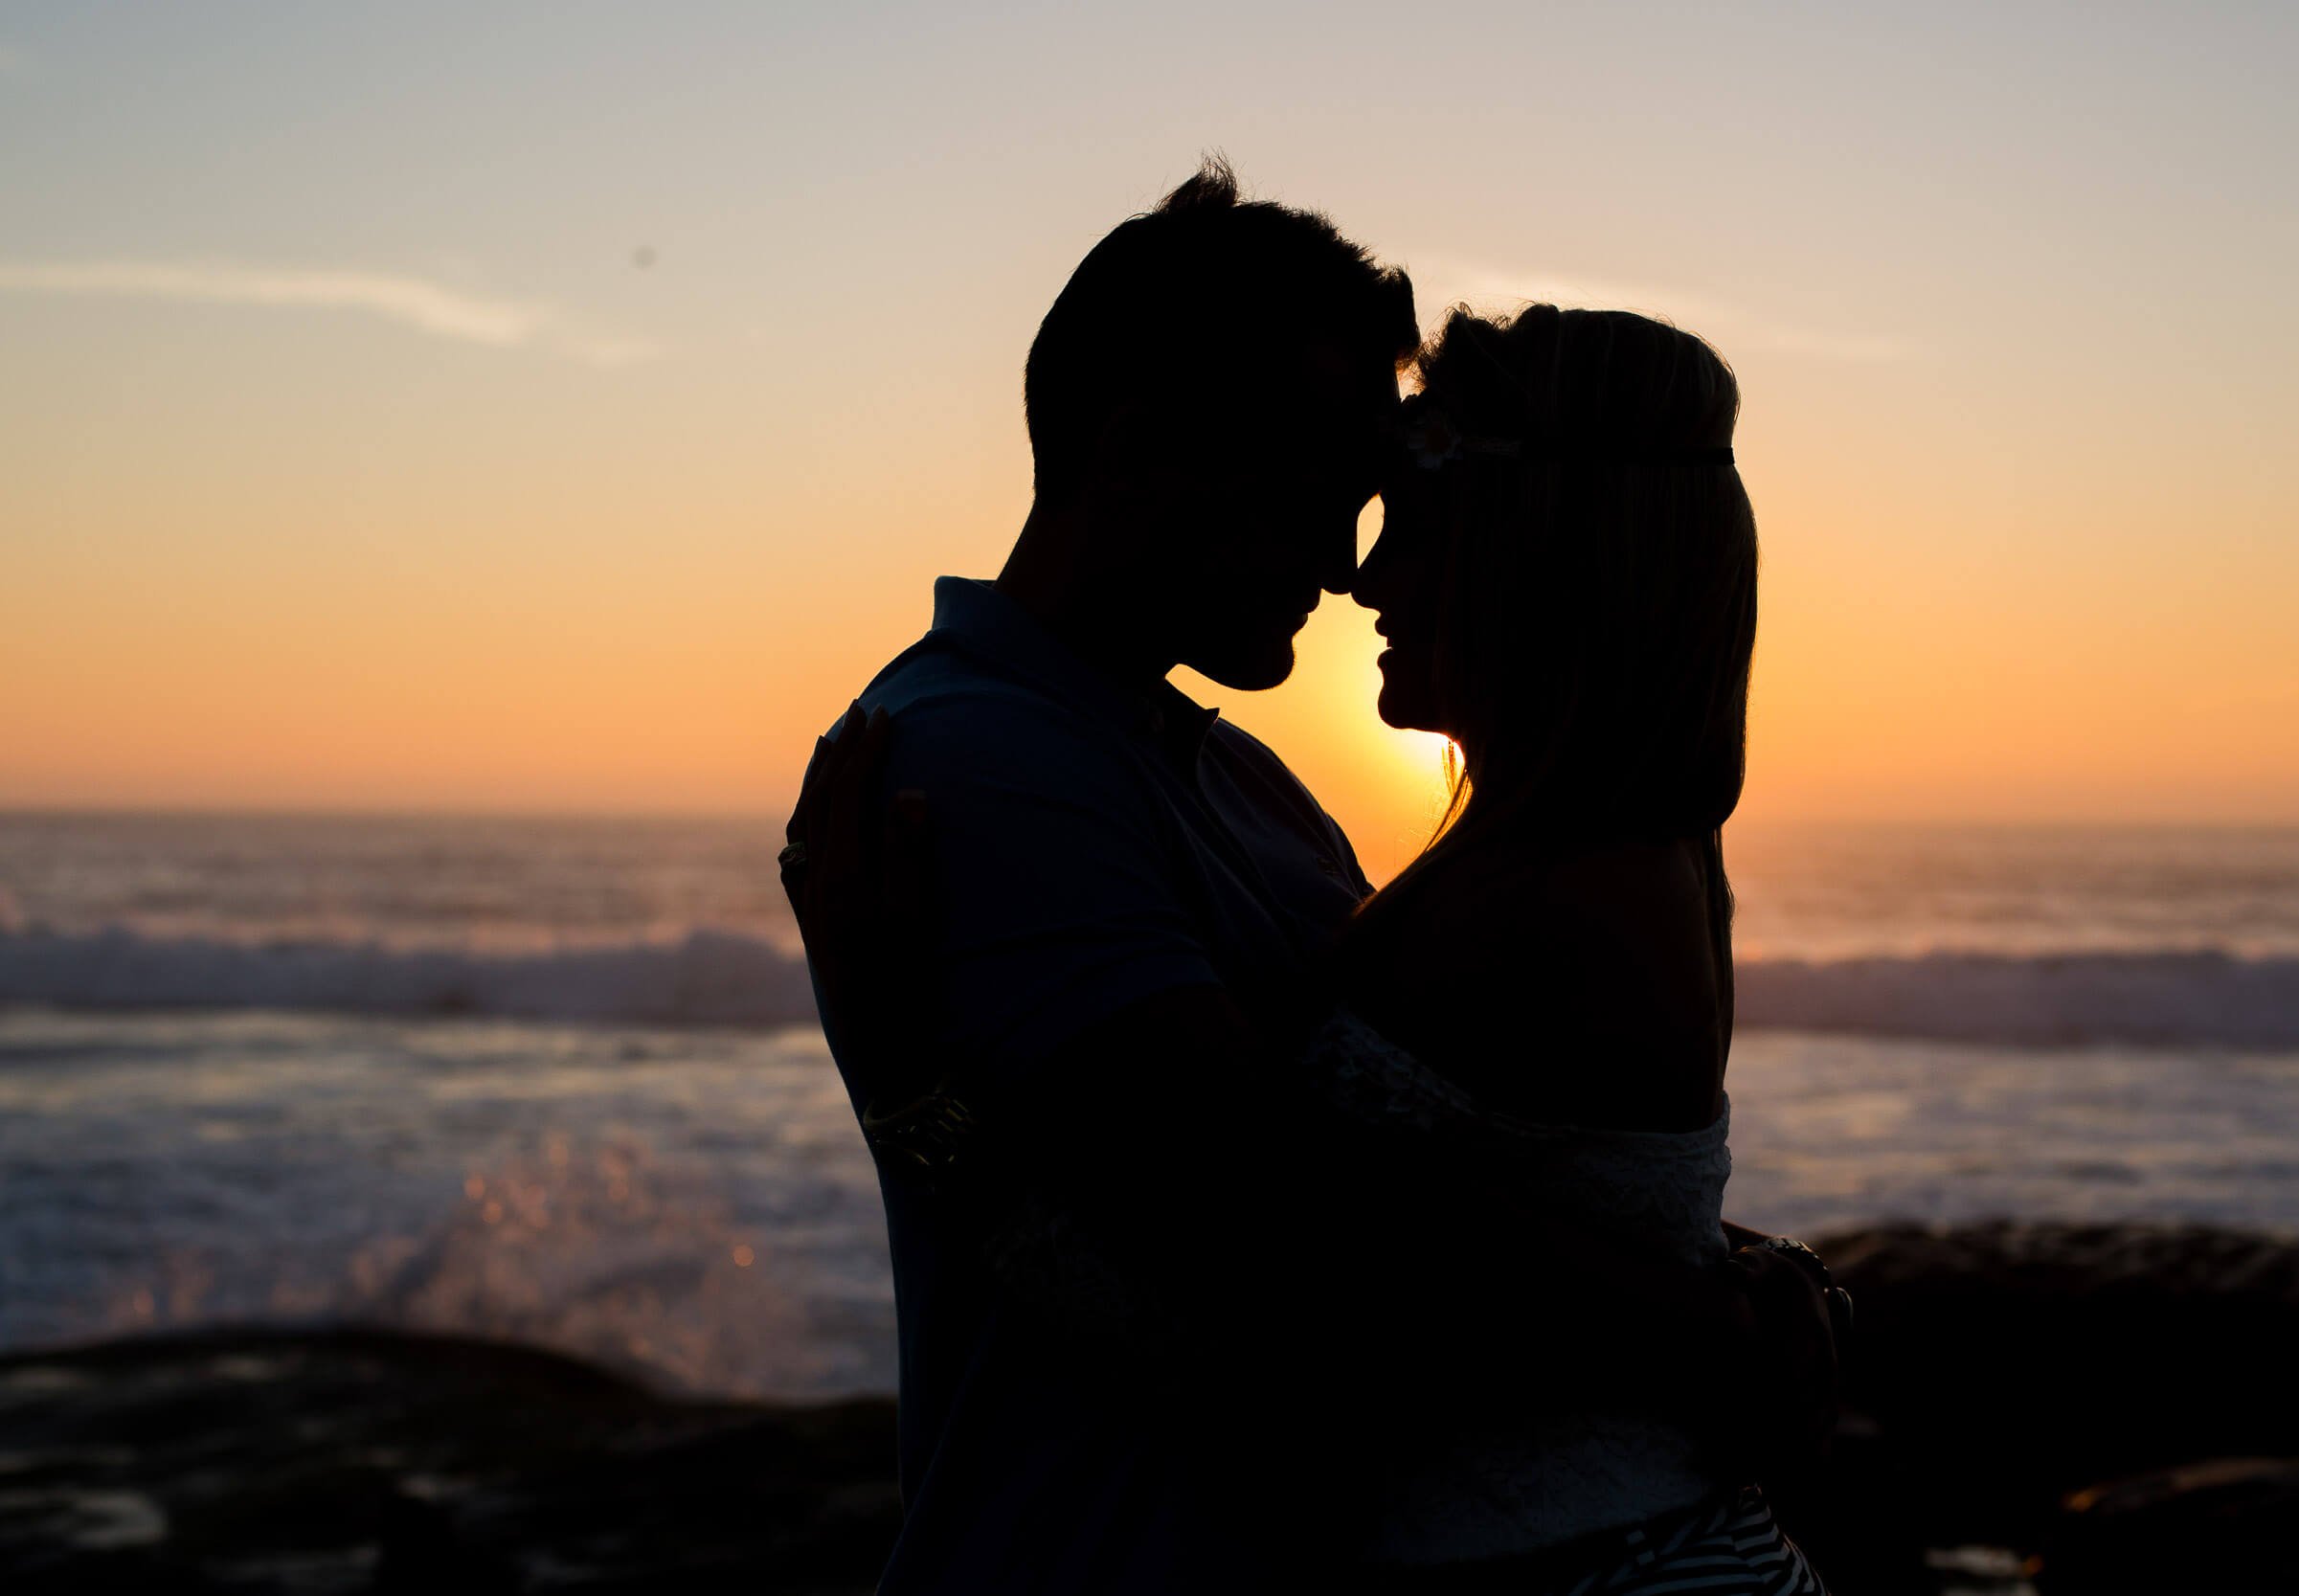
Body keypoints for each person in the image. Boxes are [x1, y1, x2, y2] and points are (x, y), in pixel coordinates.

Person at [783, 164, 1838, 1594]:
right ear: (1143, 453)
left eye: (1379, 506)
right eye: (1316, 501)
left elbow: (1445, 1170)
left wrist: (1689, 1259)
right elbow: (1273, 1222)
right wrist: (1691, 1317)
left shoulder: (1244, 781)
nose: (1349, 572)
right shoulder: (976, 762)